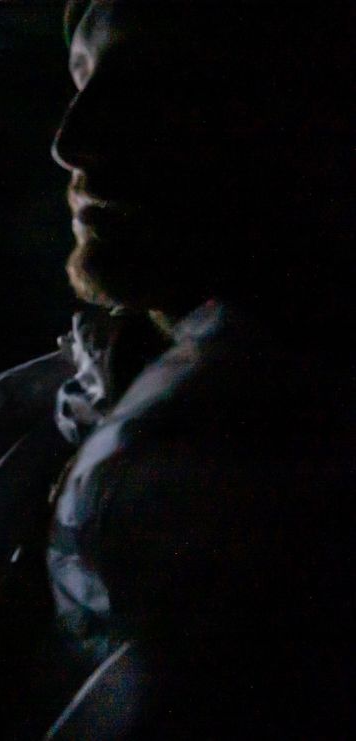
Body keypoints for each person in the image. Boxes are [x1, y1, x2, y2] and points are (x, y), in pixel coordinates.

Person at [46, 1, 353, 736]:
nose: (70, 142)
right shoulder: (116, 366)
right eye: (81, 81)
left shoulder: (264, 456)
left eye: (142, 84)